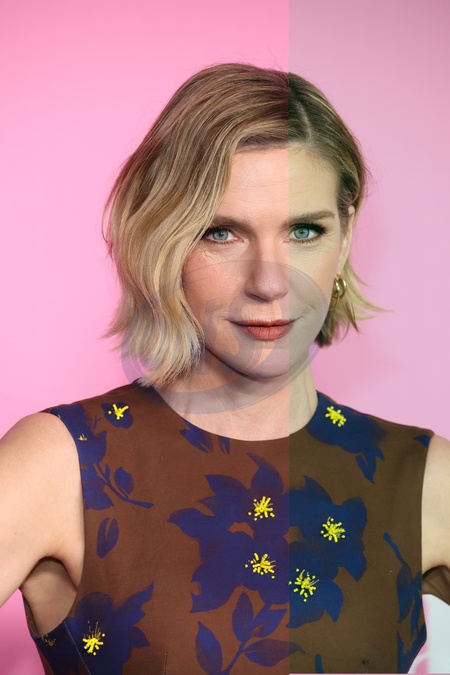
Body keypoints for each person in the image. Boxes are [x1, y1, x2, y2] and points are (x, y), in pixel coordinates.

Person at [1, 62, 449, 675]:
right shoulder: (59, 465)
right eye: (221, 233)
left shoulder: (424, 479)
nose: (269, 282)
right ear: (165, 242)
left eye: (303, 231)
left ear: (345, 236)